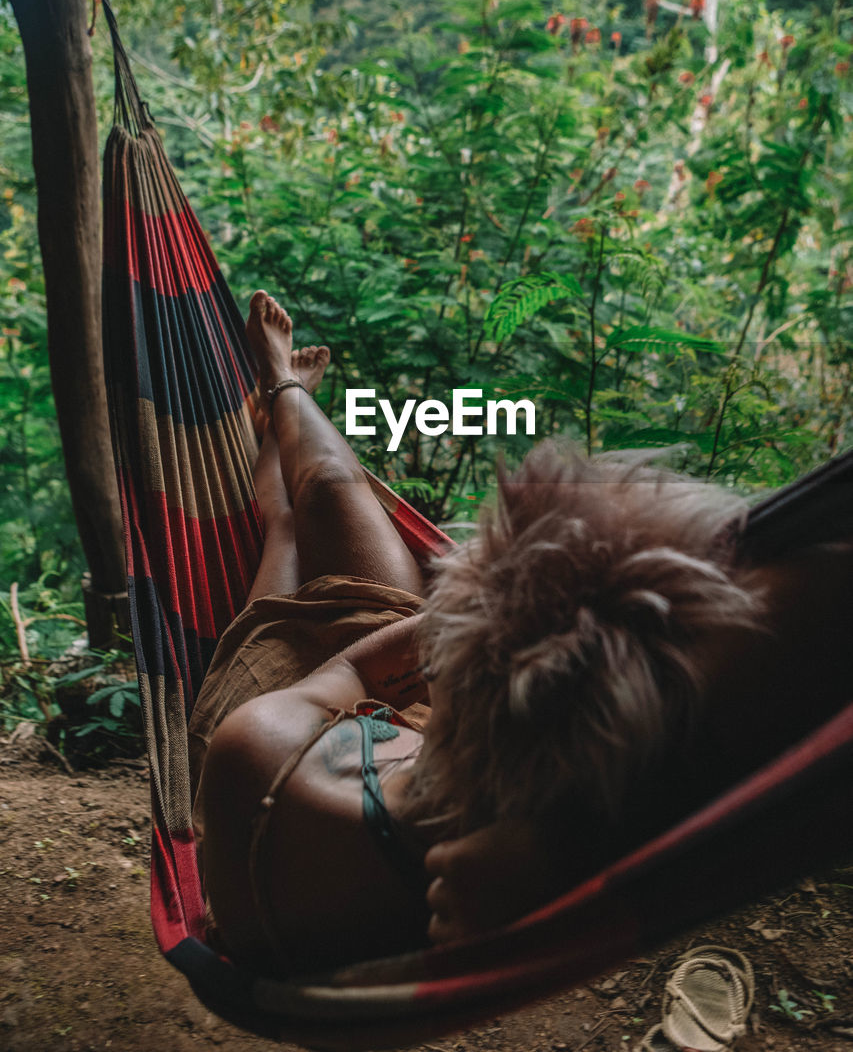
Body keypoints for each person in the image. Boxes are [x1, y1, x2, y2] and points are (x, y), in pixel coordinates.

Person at [190, 291, 853, 977]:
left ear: (449, 666)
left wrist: (473, 614)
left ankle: (280, 403)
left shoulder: (255, 751)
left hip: (301, 696)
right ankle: (282, 397)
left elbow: (350, 679)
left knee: (289, 525)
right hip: (418, 716)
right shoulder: (552, 838)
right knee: (329, 482)